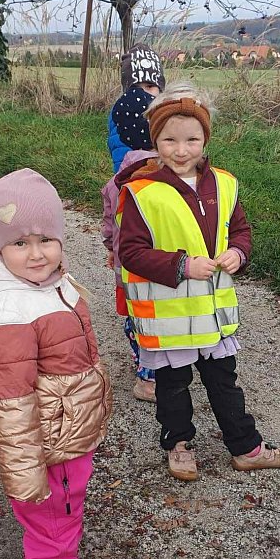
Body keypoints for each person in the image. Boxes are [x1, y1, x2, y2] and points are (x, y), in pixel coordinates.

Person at [117, 83, 280, 481]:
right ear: (155, 140)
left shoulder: (225, 184)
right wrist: (181, 265)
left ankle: (246, 447)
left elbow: (241, 229)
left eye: (192, 140)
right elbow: (130, 252)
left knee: (224, 383)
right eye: (170, 140)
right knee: (172, 387)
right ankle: (178, 444)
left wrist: (238, 253)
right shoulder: (141, 193)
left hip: (213, 317)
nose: (181, 150)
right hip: (169, 321)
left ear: (206, 139)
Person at [0, 168, 114, 559]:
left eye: (46, 240)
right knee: (50, 527)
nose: (36, 254)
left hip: (64, 438)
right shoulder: (9, 310)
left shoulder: (51, 283)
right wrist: (25, 475)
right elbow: (9, 406)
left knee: (64, 518)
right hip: (46, 451)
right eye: (20, 243)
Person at [101, 149, 160, 403]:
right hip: (163, 270)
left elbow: (109, 223)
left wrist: (110, 248)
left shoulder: (115, 183)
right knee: (159, 321)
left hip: (127, 272)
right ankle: (155, 375)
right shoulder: (165, 178)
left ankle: (147, 376)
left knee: (136, 322)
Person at [107, 43, 165, 173]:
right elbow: (118, 149)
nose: (142, 93)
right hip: (129, 173)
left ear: (160, 89)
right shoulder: (120, 113)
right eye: (135, 87)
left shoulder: (164, 112)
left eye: (149, 86)